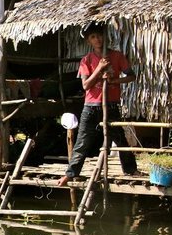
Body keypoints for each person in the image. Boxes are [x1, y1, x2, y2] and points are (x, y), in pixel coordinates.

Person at [57, 23, 138, 186]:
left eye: (99, 35)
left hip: (111, 105)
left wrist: (115, 80)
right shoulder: (86, 60)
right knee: (82, 142)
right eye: (93, 37)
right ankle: (70, 174)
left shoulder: (116, 56)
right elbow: (86, 85)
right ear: (89, 41)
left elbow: (131, 76)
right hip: (91, 106)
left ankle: (130, 169)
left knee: (120, 139)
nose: (98, 39)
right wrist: (99, 68)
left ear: (104, 36)